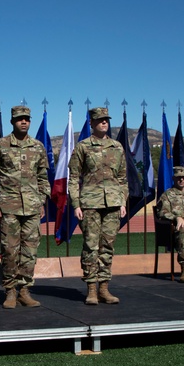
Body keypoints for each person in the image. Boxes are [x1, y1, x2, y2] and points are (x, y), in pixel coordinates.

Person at [0, 105, 51, 309]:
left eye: (27, 119)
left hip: (31, 207)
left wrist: (42, 200)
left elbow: (43, 177)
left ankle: (24, 290)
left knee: (30, 252)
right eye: (20, 119)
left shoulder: (38, 147)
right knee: (10, 251)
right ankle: (10, 291)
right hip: (8, 207)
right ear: (12, 122)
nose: (24, 122)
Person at [67, 107, 128, 305]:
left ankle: (104, 288)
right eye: (100, 120)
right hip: (90, 204)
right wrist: (76, 203)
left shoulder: (117, 147)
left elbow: (122, 178)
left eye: (106, 120)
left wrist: (122, 201)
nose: (104, 122)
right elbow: (74, 177)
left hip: (112, 203)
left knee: (107, 246)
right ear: (92, 123)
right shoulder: (83, 147)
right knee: (91, 246)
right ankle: (91, 288)